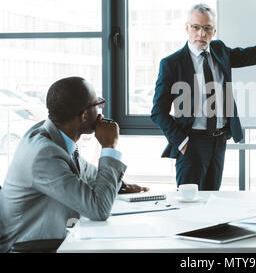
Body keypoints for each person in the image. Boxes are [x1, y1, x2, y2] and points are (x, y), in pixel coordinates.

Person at [151, 3, 256, 190]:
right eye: (196, 27)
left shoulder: (219, 51)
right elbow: (158, 112)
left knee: (212, 203)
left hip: (218, 142)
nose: (201, 33)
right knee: (189, 207)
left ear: (214, 30)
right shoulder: (172, 63)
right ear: (187, 28)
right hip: (191, 143)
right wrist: (183, 143)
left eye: (207, 28)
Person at [0, 77, 148, 252]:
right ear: (84, 115)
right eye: (98, 103)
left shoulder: (53, 135)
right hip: (26, 247)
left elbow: (88, 173)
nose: (101, 110)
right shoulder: (44, 155)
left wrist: (121, 185)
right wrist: (109, 146)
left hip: (49, 239)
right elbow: (99, 210)